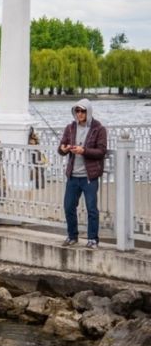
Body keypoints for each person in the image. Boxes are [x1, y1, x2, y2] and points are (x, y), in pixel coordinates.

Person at [57, 99, 108, 248]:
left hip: (89, 176)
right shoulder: (70, 128)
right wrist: (64, 149)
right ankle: (72, 236)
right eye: (77, 111)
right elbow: (60, 149)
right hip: (73, 176)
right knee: (68, 207)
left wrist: (83, 151)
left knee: (92, 208)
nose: (79, 114)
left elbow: (101, 151)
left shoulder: (99, 129)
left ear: (88, 111)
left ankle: (93, 239)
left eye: (82, 111)